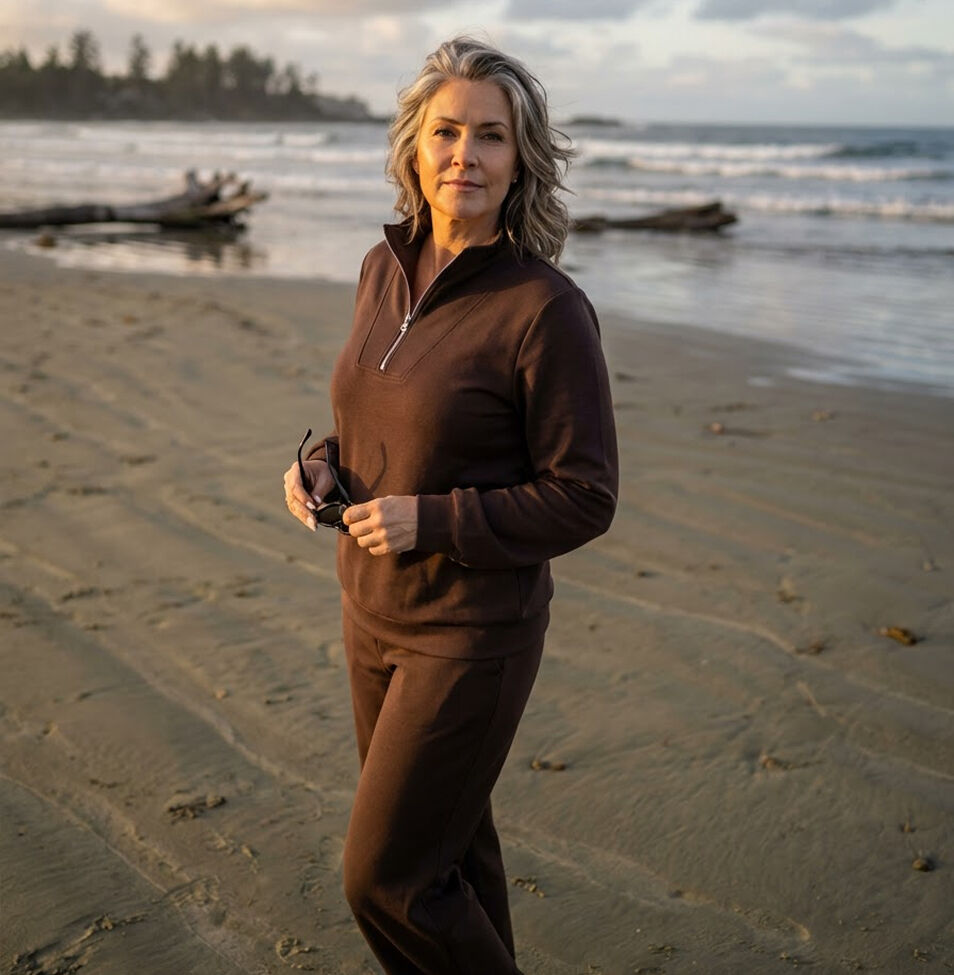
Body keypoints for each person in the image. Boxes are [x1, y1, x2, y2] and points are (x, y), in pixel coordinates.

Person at [282, 36, 618, 975]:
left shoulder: (544, 310)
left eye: (491, 137)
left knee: (385, 879)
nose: (464, 153)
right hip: (370, 615)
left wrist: (433, 519)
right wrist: (319, 466)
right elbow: (373, 419)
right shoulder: (379, 268)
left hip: (471, 633)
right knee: (451, 858)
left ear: (522, 163)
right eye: (446, 132)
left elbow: (585, 495)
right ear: (414, 149)